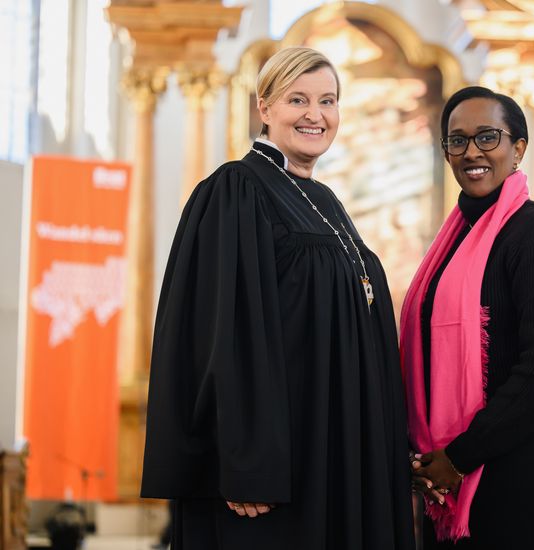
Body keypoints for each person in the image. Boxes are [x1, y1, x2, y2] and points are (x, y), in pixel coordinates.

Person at [141, 46, 415, 550]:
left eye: (328, 101)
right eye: (298, 100)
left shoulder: (323, 201)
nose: (316, 115)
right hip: (273, 471)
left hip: (330, 451)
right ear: (264, 108)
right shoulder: (236, 189)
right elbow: (220, 332)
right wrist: (243, 462)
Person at [400, 86, 534, 549]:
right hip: (454, 462)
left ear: (518, 148)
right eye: (457, 141)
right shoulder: (451, 242)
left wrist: (458, 457)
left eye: (488, 137)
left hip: (527, 458)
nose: (471, 152)